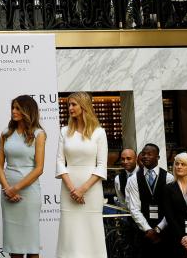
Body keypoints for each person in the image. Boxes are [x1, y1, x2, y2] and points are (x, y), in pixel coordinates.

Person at [55, 91, 108, 257]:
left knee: (92, 231)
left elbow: (101, 166)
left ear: (84, 106)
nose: (70, 108)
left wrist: (82, 189)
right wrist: (73, 190)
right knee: (69, 233)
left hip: (91, 191)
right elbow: (59, 162)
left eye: (73, 104)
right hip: (68, 190)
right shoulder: (64, 131)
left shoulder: (99, 132)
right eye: (68, 105)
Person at [0, 95, 46, 258]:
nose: (13, 111)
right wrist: (6, 188)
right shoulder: (5, 133)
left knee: (32, 246)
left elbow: (39, 169)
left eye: (17, 108)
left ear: (27, 110)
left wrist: (15, 189)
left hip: (29, 193)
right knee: (14, 245)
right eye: (13, 108)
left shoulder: (39, 134)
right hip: (8, 193)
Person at [126, 143, 175, 258]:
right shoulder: (133, 180)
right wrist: (148, 230)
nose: (145, 156)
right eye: (143, 154)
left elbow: (171, 208)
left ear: (157, 157)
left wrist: (158, 228)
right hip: (143, 233)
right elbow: (134, 208)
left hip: (165, 231)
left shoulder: (169, 178)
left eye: (149, 154)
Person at [160, 152, 187, 258]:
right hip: (176, 237)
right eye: (177, 164)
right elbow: (169, 216)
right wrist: (183, 238)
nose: (179, 167)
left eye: (183, 164)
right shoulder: (168, 188)